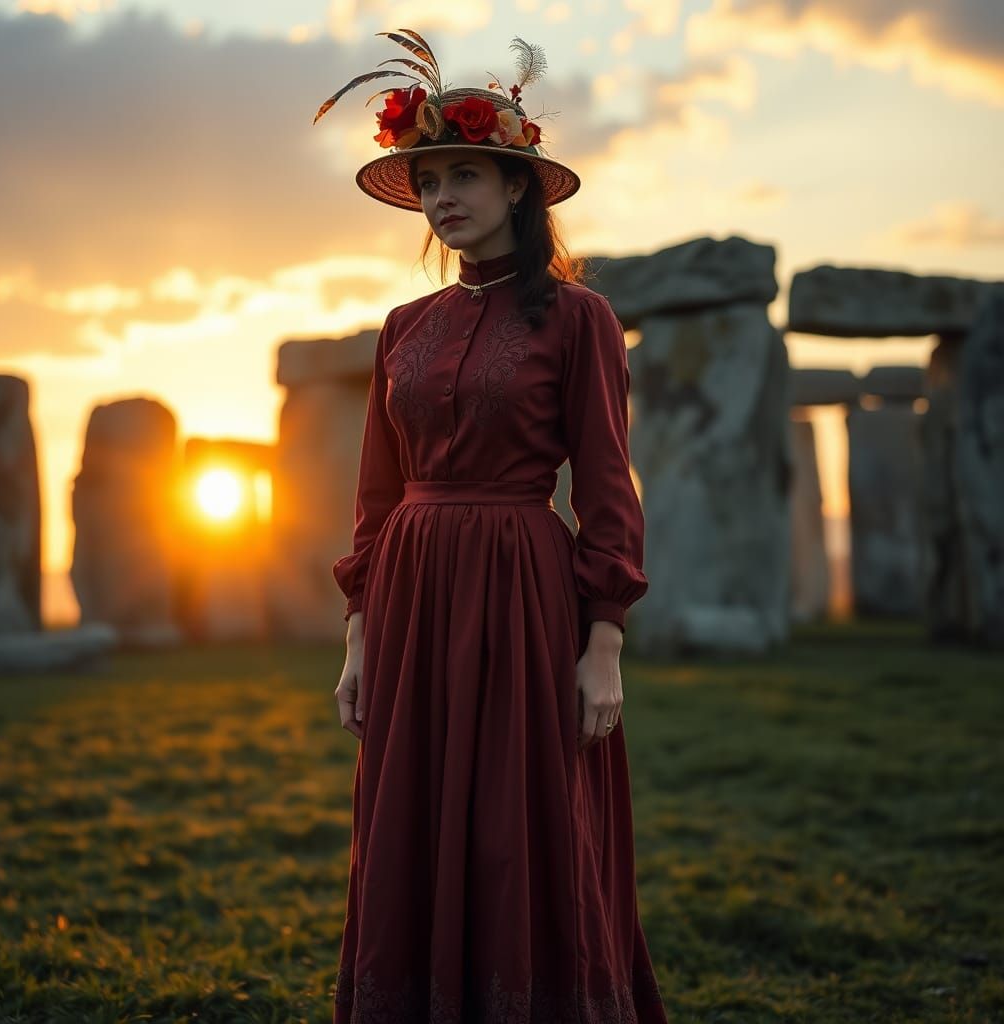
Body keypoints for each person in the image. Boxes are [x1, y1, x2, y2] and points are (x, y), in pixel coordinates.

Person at [318, 31, 670, 1023]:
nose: (441, 198)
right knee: (410, 821)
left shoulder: (578, 319)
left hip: (522, 590)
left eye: (462, 173)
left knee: (523, 827)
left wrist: (602, 645)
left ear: (517, 185)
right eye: (428, 180)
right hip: (411, 595)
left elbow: (607, 486)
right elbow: (377, 497)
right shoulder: (402, 327)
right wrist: (358, 635)